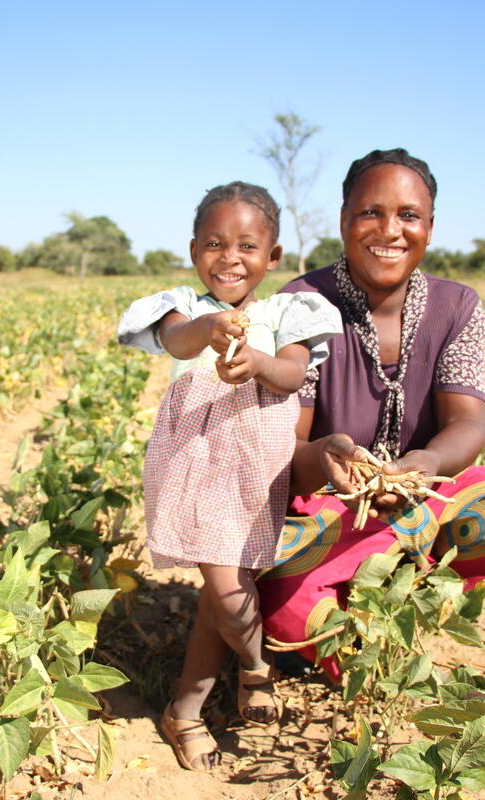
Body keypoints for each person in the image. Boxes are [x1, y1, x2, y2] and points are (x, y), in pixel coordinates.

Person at [258, 149, 485, 680]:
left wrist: (423, 464)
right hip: (327, 513)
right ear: (343, 221)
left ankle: (421, 612)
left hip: (419, 502)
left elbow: (468, 422)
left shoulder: (458, 307)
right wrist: (332, 464)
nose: (390, 230)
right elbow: (282, 449)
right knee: (284, 602)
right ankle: (363, 643)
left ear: (429, 227)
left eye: (408, 215)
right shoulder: (301, 303)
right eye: (370, 213)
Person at [117, 181, 342, 771]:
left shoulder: (289, 312)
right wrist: (210, 330)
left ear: (272, 258)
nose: (230, 257)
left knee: (223, 598)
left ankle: (184, 710)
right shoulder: (183, 308)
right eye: (215, 243)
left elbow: (293, 376)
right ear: (195, 251)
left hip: (257, 469)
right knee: (224, 585)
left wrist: (258, 363)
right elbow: (177, 340)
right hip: (196, 464)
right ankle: (256, 670)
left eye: (247, 245)